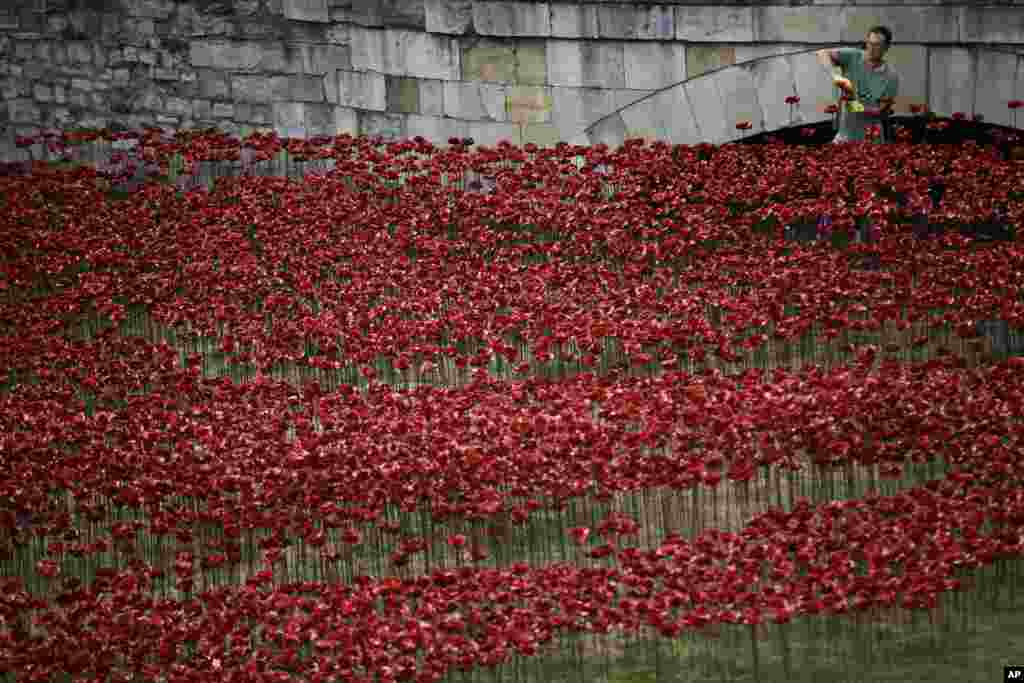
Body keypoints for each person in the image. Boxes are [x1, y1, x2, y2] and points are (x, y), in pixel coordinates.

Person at [816, 26, 900, 143]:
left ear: (886, 47)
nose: (871, 48)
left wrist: (853, 105)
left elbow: (881, 112)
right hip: (845, 137)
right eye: (870, 43)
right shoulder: (853, 56)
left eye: (877, 45)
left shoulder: (891, 76)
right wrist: (836, 76)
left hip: (872, 141)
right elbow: (822, 53)